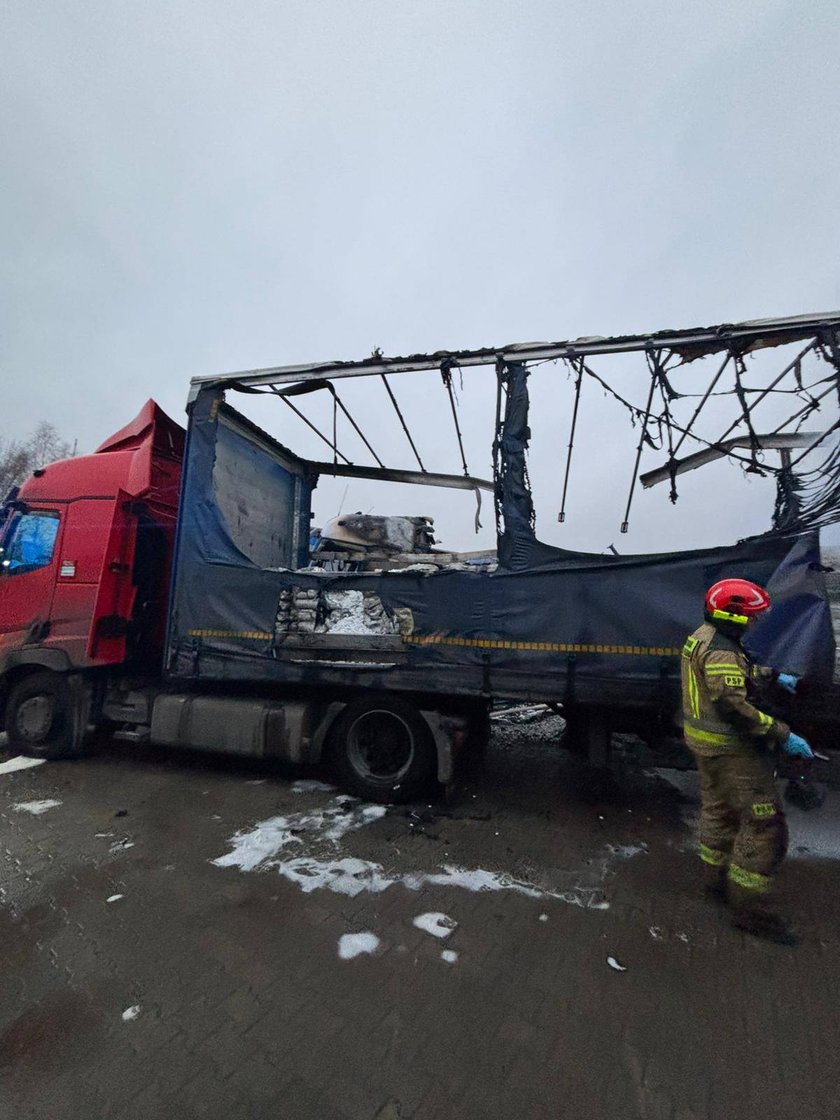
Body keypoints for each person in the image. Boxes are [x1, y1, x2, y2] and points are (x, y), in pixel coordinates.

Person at [680, 578, 813, 945]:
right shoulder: (722, 651)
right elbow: (732, 705)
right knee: (764, 826)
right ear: (733, 617)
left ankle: (715, 885)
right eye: (751, 617)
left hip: (707, 747)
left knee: (718, 814)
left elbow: (732, 676)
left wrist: (772, 675)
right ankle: (750, 912)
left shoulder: (704, 636)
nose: (755, 623)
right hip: (732, 752)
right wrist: (783, 734)